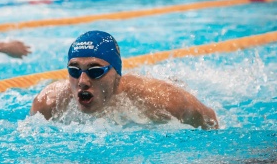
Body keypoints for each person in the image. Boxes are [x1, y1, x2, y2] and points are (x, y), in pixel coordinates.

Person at [30, 30, 219, 130]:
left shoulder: (161, 100)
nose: (82, 81)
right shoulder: (48, 103)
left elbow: (210, 120)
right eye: (74, 70)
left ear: (117, 76)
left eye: (95, 71)